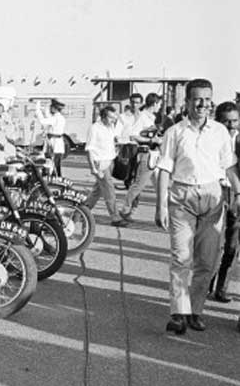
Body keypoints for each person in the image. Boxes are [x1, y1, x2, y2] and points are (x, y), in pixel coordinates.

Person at [155, 79, 240, 335]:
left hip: (212, 197)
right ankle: (178, 314)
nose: (203, 104)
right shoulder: (175, 132)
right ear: (188, 102)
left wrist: (238, 192)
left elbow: (229, 167)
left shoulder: (220, 132)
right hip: (182, 197)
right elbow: (164, 169)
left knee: (207, 261)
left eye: (207, 99)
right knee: (181, 257)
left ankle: (195, 311)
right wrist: (161, 206)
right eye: (197, 99)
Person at [210, 101, 240, 303]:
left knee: (232, 245)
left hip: (236, 194)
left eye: (235, 121)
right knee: (213, 243)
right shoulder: (211, 139)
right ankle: (205, 284)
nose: (231, 125)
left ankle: (221, 288)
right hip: (215, 192)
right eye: (226, 121)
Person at [120, 92, 163, 220]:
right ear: (154, 103)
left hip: (154, 154)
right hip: (145, 154)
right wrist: (151, 140)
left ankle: (163, 213)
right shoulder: (142, 117)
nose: (160, 107)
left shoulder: (151, 117)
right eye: (159, 104)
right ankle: (126, 209)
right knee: (139, 184)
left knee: (161, 186)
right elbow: (134, 135)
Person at [83, 105, 127, 227]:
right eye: (110, 117)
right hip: (100, 163)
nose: (113, 120)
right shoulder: (94, 128)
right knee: (109, 190)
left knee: (96, 192)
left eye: (114, 117)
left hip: (109, 161)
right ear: (103, 116)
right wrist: (93, 168)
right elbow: (89, 149)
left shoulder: (110, 127)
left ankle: (81, 212)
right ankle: (115, 217)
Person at [35, 98, 67, 176]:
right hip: (57, 144)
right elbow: (48, 116)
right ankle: (56, 178)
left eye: (51, 107)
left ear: (54, 108)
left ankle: (52, 179)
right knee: (56, 165)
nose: (50, 109)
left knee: (51, 165)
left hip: (54, 144)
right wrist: (45, 107)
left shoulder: (55, 118)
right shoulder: (59, 117)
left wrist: (37, 109)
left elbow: (42, 121)